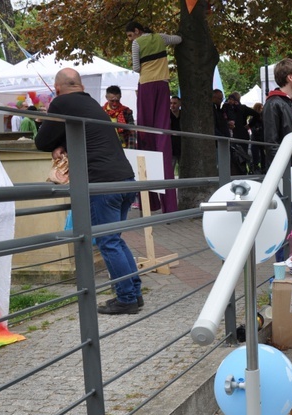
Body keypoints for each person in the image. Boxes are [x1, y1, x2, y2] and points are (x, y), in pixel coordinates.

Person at [35, 68, 143, 315]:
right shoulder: (91, 104)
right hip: (125, 179)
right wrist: (63, 142)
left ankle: (126, 298)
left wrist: (53, 140)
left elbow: (41, 142)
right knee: (115, 239)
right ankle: (134, 293)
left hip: (102, 183)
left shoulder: (61, 102)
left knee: (108, 242)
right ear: (80, 86)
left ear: (57, 87)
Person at [126, 21, 182, 213]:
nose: (130, 39)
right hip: (163, 85)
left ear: (136, 31)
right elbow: (178, 39)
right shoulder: (161, 37)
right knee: (162, 135)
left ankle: (150, 202)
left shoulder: (136, 43)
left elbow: (135, 67)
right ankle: (170, 206)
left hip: (147, 86)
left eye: (130, 35)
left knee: (146, 135)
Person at [222, 91, 257, 156]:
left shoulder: (242, 108)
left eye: (232, 99)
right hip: (235, 134)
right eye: (230, 99)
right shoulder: (226, 107)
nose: (230, 101)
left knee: (241, 155)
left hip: (240, 134)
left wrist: (249, 125)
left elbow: (256, 114)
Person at [248, 102, 265, 173]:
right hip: (255, 139)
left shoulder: (264, 118)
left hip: (262, 139)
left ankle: (263, 168)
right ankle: (255, 168)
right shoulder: (253, 119)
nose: (262, 110)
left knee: (263, 156)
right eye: (261, 108)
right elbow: (254, 130)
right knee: (256, 156)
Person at [169, 95, 181, 171]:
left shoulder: (183, 115)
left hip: (181, 147)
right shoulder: (167, 115)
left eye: (174, 103)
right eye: (171, 103)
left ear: (180, 104)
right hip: (171, 147)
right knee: (170, 169)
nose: (172, 105)